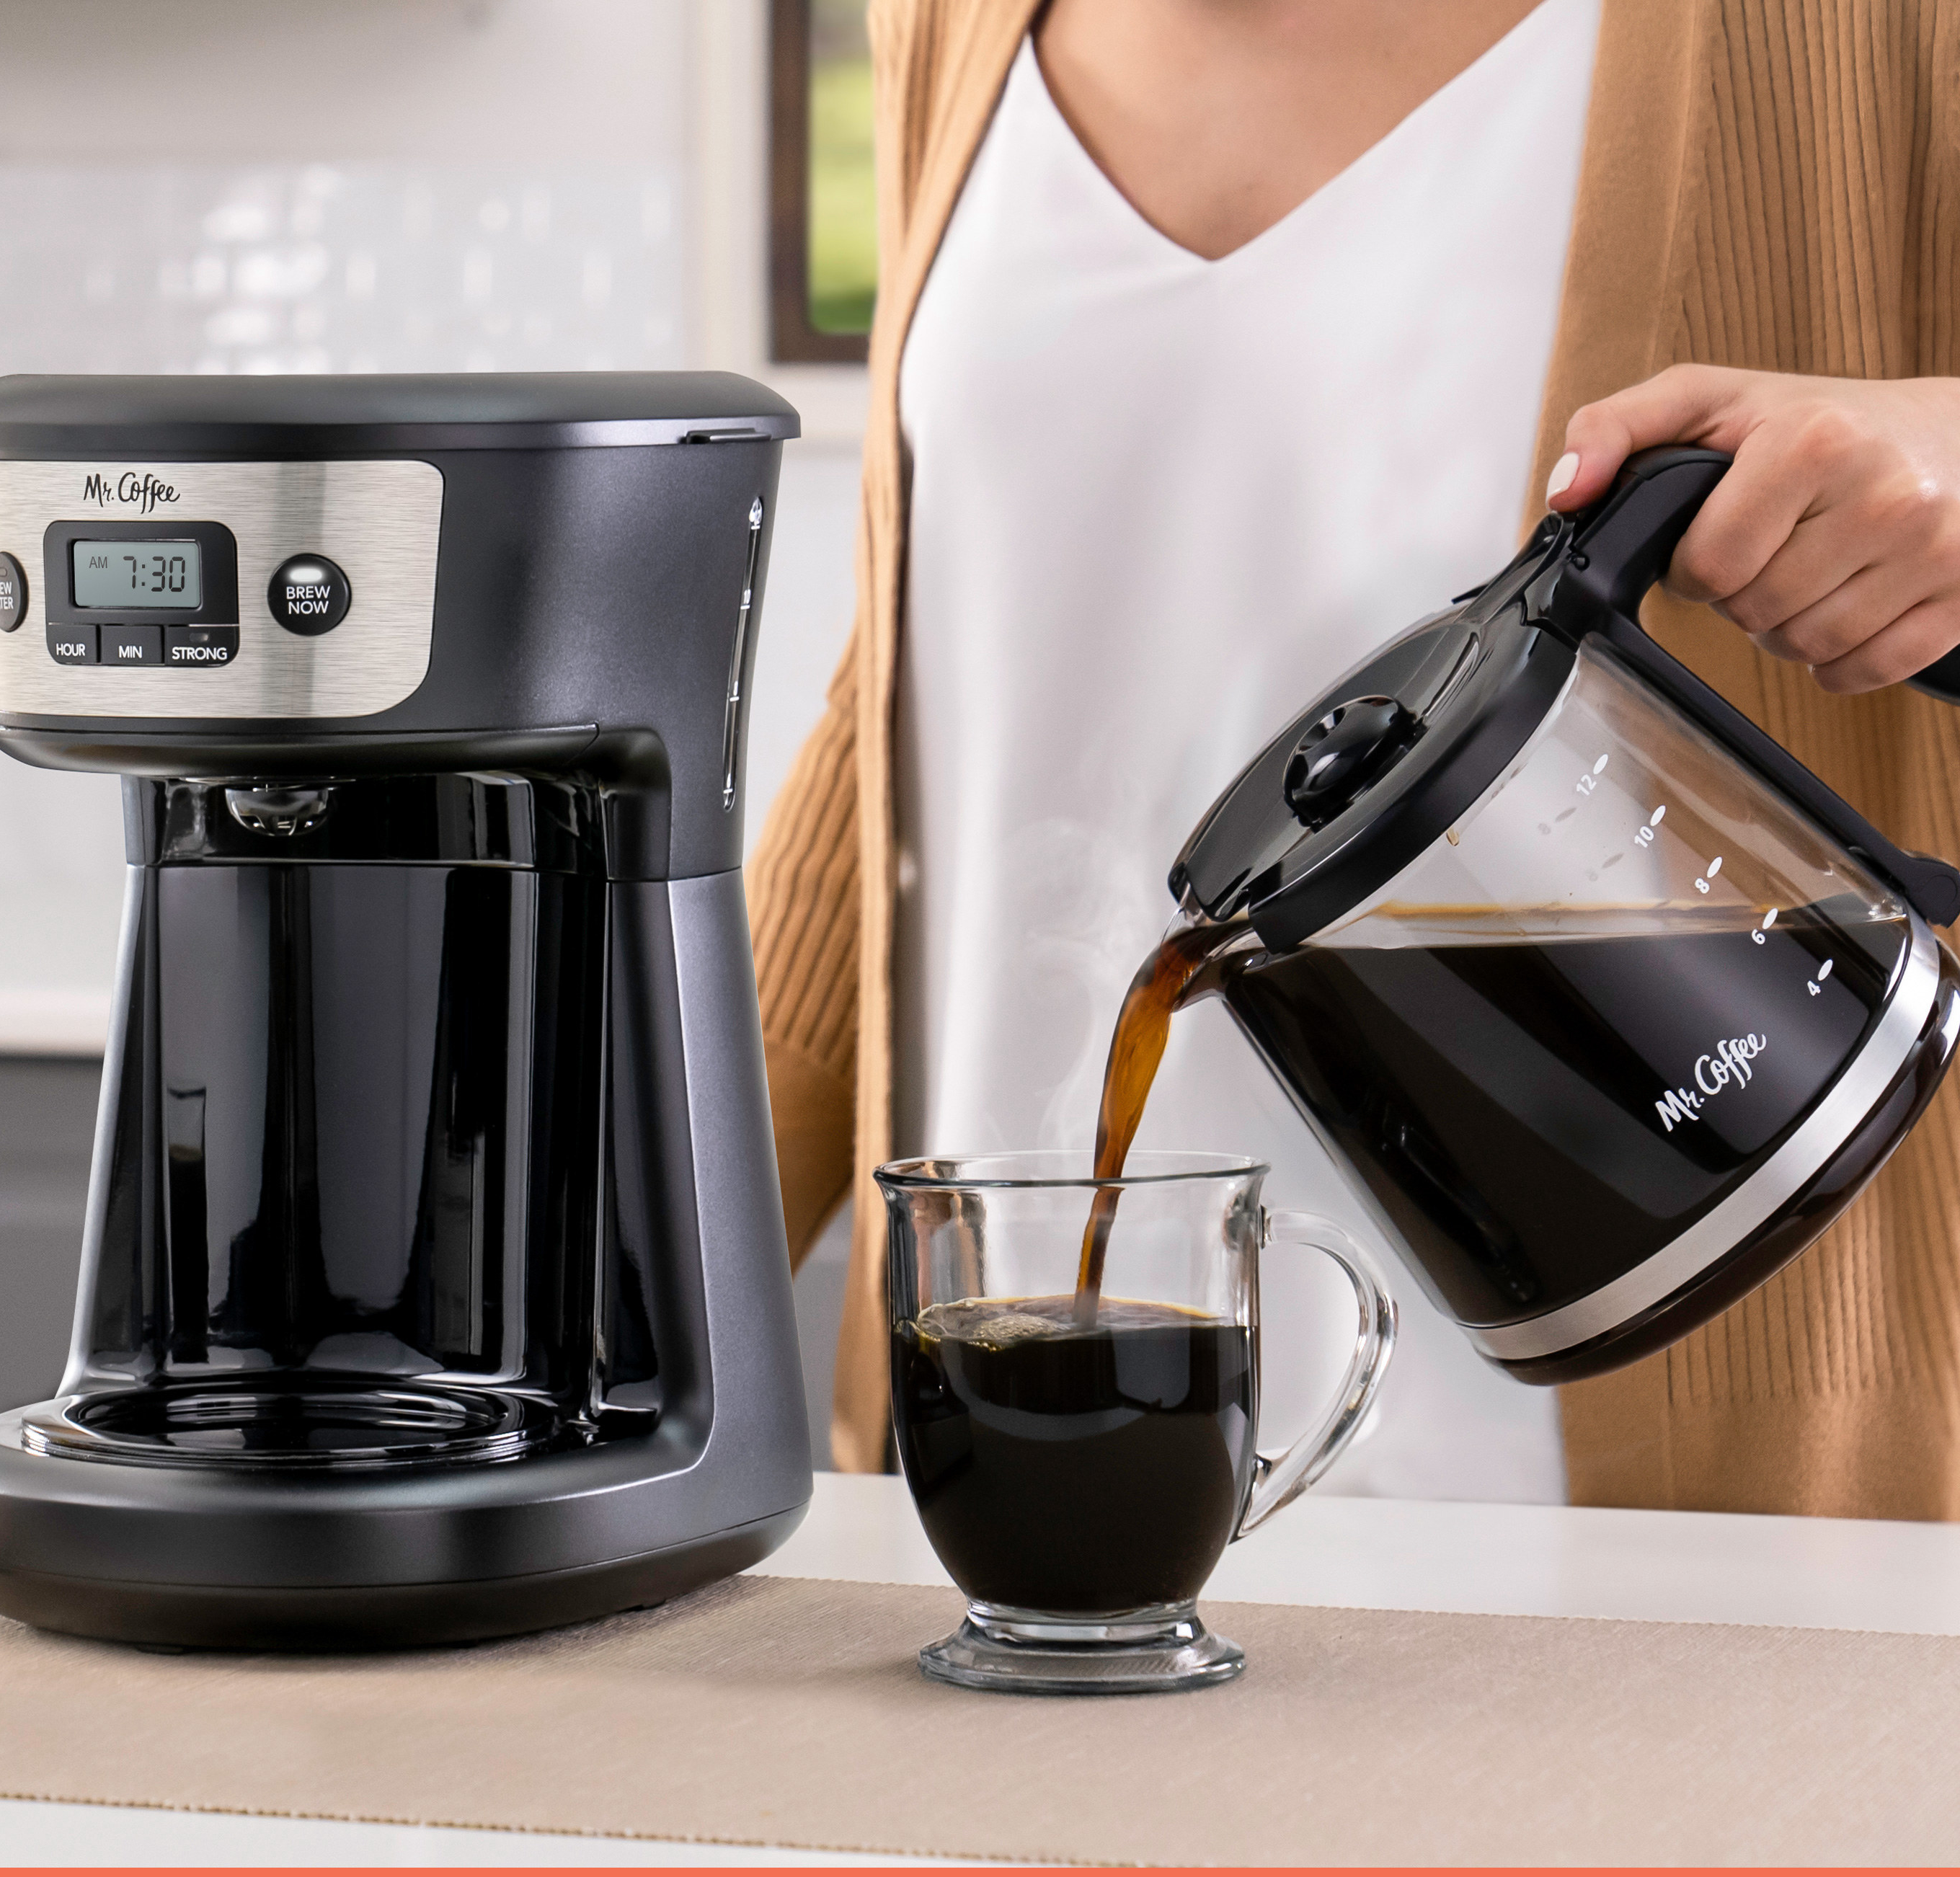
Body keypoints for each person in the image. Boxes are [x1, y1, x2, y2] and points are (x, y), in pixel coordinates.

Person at [749, 0, 1960, 1515]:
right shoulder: (949, 23)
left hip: (1658, 1559)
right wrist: (613, 1235)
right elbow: (943, 686)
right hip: (1037, 1506)